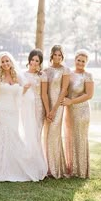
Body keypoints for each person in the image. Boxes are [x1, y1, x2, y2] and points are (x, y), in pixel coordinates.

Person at [0, 51, 46, 182]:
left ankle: (15, 167)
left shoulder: (16, 76)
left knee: (14, 136)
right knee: (0, 137)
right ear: (0, 63)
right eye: (3, 61)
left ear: (11, 62)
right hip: (1, 110)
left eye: (7, 61)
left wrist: (25, 90)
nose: (5, 64)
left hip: (14, 111)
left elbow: (19, 95)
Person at [62, 49, 94, 178]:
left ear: (86, 63)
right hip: (69, 111)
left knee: (80, 137)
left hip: (82, 110)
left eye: (83, 61)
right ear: (75, 60)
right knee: (70, 137)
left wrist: (72, 101)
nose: (80, 63)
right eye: (78, 60)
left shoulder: (88, 75)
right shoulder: (69, 74)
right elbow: (64, 89)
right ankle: (72, 168)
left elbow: (89, 95)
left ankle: (81, 170)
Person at [21, 48, 49, 179]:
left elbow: (44, 94)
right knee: (27, 133)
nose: (34, 62)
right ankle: (26, 163)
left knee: (36, 134)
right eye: (32, 59)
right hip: (25, 107)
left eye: (37, 60)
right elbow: (18, 93)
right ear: (29, 59)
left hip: (38, 107)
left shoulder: (42, 76)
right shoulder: (22, 74)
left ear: (40, 62)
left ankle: (36, 164)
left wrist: (48, 111)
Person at [44, 45, 70, 179]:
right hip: (46, 106)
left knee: (54, 134)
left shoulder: (65, 70)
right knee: (47, 135)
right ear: (52, 55)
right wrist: (47, 110)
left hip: (58, 106)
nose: (58, 57)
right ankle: (47, 167)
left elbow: (64, 90)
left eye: (60, 55)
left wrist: (54, 110)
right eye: (55, 55)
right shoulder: (46, 70)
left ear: (62, 56)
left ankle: (55, 169)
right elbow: (43, 91)